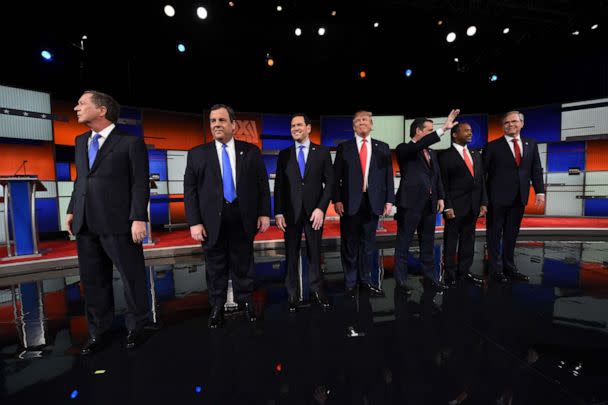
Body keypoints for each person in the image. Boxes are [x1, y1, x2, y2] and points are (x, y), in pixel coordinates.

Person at [66, 90, 150, 354]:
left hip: (119, 222)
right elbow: (81, 180)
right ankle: (99, 331)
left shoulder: (130, 143)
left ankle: (137, 326)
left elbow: (139, 183)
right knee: (92, 281)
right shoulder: (80, 141)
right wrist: (71, 209)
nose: (76, 108)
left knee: (131, 277)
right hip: (85, 221)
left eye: (82, 103)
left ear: (101, 110)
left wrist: (138, 217)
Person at [184, 104, 271, 328]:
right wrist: (194, 222)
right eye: (213, 121)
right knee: (215, 265)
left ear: (233, 125)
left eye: (221, 120)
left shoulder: (251, 151)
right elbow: (190, 191)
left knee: (244, 263)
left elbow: (262, 185)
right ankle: (216, 307)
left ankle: (247, 303)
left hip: (243, 217)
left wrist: (264, 213)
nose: (216, 125)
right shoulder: (197, 154)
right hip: (211, 220)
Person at [393, 109, 460, 294]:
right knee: (403, 244)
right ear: (418, 132)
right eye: (429, 130)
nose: (432, 132)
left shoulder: (432, 153)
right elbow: (416, 147)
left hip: (430, 205)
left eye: (433, 130)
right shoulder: (404, 149)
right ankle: (401, 282)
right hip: (409, 205)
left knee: (428, 244)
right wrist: (444, 129)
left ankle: (430, 278)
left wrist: (440, 197)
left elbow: (436, 177)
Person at [274, 113, 335, 312]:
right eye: (292, 125)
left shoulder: (322, 152)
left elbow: (330, 183)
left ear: (309, 128)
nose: (295, 128)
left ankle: (317, 290)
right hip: (290, 213)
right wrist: (279, 212)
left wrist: (321, 209)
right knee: (291, 254)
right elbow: (280, 186)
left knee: (315, 253)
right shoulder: (284, 154)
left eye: (299, 125)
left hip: (314, 213)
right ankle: (292, 293)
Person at [333, 110, 394, 296]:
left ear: (371, 124)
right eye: (358, 120)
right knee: (350, 244)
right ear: (353, 126)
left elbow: (388, 177)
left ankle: (365, 280)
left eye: (365, 120)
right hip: (350, 203)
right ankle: (350, 282)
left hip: (373, 202)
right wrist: (336, 199)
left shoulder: (383, 147)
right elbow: (336, 178)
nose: (361, 122)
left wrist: (389, 200)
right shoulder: (344, 147)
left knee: (368, 245)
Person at [483, 111, 544, 283]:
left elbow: (536, 169)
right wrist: (484, 200)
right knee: (494, 235)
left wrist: (539, 191)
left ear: (522, 123)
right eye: (506, 123)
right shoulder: (493, 146)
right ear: (502, 126)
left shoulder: (531, 144)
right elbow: (482, 175)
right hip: (496, 199)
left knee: (511, 234)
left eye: (514, 121)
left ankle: (509, 267)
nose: (511, 125)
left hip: (519, 198)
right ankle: (495, 269)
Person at [438, 122, 487, 286]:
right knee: (451, 241)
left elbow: (481, 181)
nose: (470, 133)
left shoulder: (476, 154)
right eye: (466, 130)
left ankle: (464, 271)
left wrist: (483, 202)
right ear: (455, 134)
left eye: (471, 130)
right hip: (454, 207)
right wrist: (447, 206)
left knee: (469, 240)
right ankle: (450, 274)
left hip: (473, 206)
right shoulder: (445, 156)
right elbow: (443, 184)